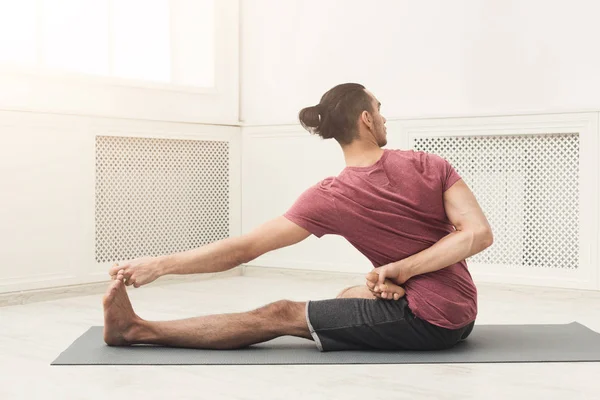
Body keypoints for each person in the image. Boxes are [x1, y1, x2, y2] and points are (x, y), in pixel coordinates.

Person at [104, 83, 493, 351]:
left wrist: (403, 270)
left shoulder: (330, 197)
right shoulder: (429, 164)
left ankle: (137, 329)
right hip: (461, 311)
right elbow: (476, 233)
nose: (384, 118)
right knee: (349, 296)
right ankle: (380, 293)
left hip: (432, 322)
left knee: (280, 313)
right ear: (366, 119)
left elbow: (244, 249)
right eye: (379, 110)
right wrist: (394, 276)